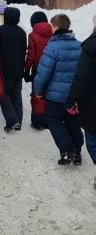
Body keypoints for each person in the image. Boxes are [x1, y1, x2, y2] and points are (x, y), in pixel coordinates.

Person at [33, 14, 83, 165]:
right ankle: (77, 152)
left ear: (55, 27)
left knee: (54, 121)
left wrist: (38, 91)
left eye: (52, 26)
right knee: (72, 122)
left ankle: (67, 151)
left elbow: (43, 74)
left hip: (55, 96)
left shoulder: (52, 47)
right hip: (73, 96)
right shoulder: (79, 46)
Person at [66, 15, 96, 181]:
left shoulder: (91, 46)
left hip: (93, 104)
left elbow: (81, 77)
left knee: (92, 140)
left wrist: (71, 100)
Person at [0, 7, 27, 132]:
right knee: (16, 95)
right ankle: (18, 120)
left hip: (4, 70)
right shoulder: (22, 32)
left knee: (4, 95)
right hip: (18, 70)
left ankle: (12, 120)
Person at [24, 11, 53, 130]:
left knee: (37, 94)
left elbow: (31, 54)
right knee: (50, 93)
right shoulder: (54, 32)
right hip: (52, 67)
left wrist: (27, 70)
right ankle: (50, 120)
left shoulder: (33, 35)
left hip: (38, 68)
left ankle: (38, 121)